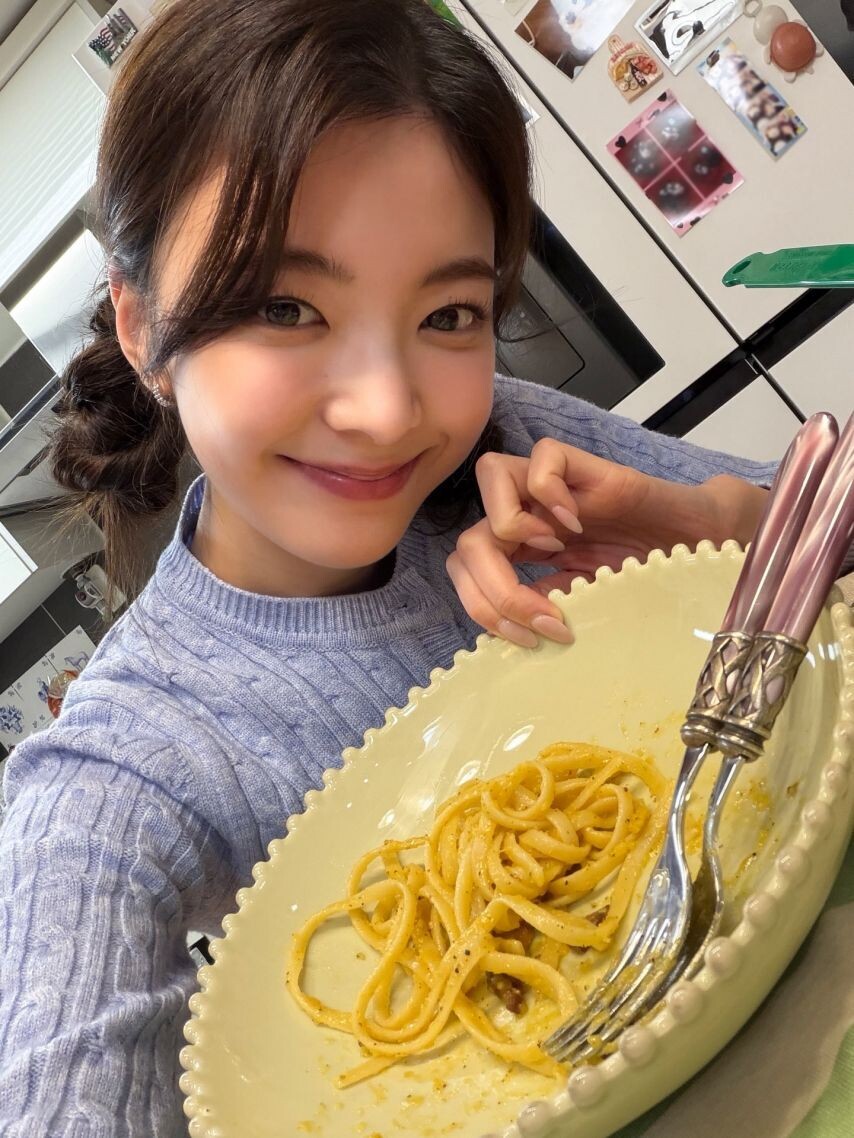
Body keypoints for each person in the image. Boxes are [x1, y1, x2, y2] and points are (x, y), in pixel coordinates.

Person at [0, 0, 815, 1132]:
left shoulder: (517, 438)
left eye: (449, 313)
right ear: (142, 333)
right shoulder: (128, 769)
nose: (388, 411)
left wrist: (711, 529)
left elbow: (824, 514)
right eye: (286, 306)